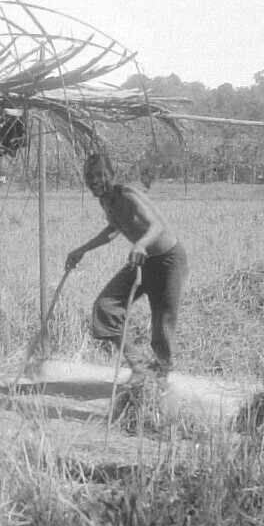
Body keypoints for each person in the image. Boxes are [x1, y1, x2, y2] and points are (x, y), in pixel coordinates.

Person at [65, 152, 188, 375]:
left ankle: (160, 376)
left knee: (163, 322)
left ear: (112, 175)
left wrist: (140, 244)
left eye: (100, 175)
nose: (95, 180)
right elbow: (114, 229)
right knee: (106, 306)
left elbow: (156, 226)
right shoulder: (105, 200)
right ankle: (138, 364)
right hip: (143, 260)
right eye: (90, 176)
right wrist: (81, 250)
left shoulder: (127, 195)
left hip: (167, 259)